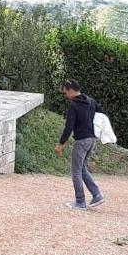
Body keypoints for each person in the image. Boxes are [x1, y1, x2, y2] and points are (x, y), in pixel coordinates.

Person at [53, 79, 105, 210]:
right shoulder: (91, 101)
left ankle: (80, 202)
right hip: (92, 140)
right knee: (82, 169)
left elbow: (69, 127)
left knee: (76, 171)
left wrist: (60, 144)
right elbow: (102, 115)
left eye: (65, 93)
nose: (65, 96)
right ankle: (97, 194)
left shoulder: (74, 106)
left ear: (71, 90)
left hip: (81, 141)